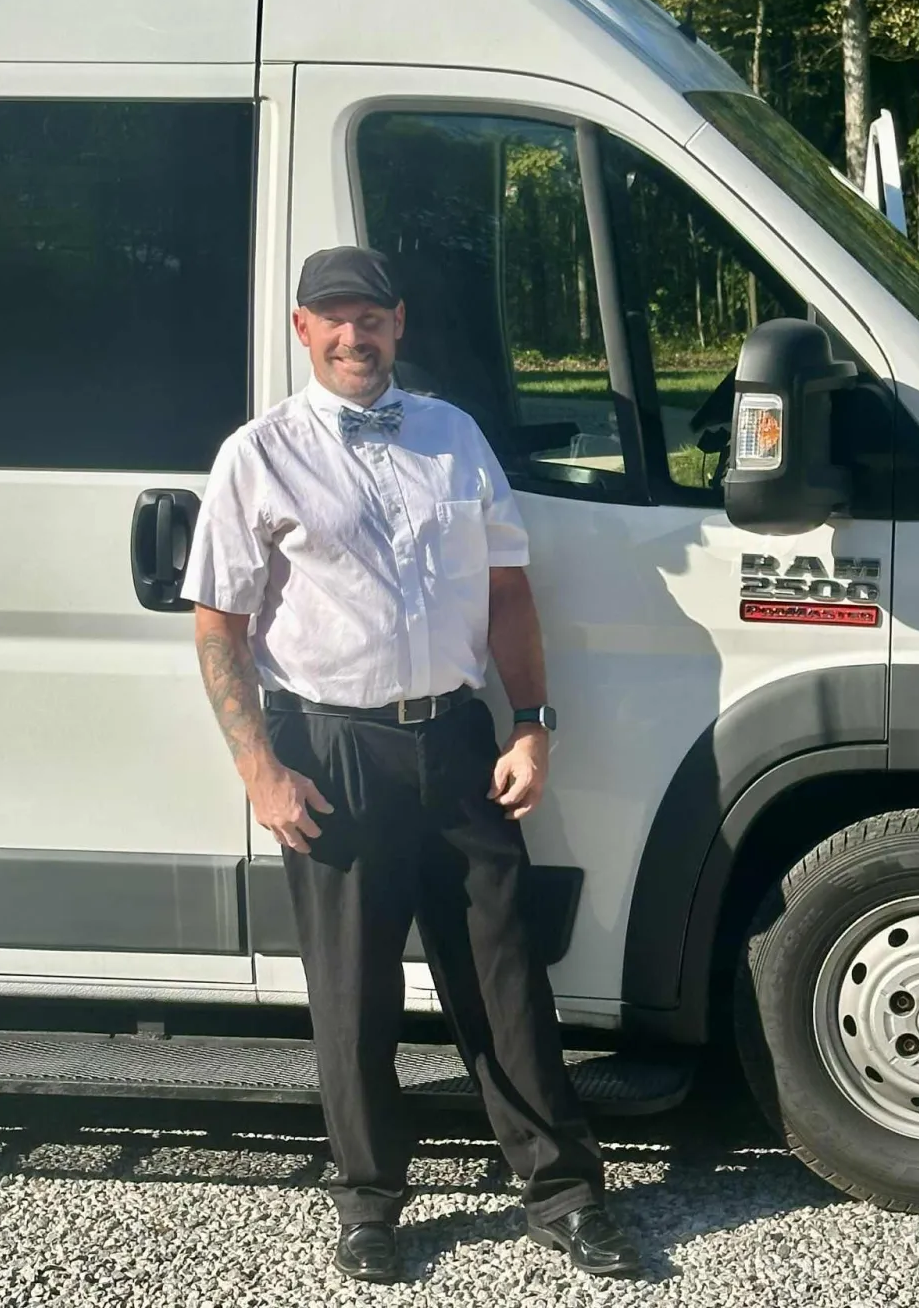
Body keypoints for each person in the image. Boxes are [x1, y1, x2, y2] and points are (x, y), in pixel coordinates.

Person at [182, 246, 640, 1285]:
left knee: (506, 977)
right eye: (333, 318)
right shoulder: (259, 454)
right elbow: (219, 625)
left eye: (372, 316)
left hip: (456, 742)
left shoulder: (455, 435)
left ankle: (563, 1194)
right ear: (303, 330)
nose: (356, 335)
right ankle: (371, 1205)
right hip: (330, 752)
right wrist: (259, 767)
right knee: (354, 994)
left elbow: (510, 589)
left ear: (399, 322)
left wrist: (531, 723)